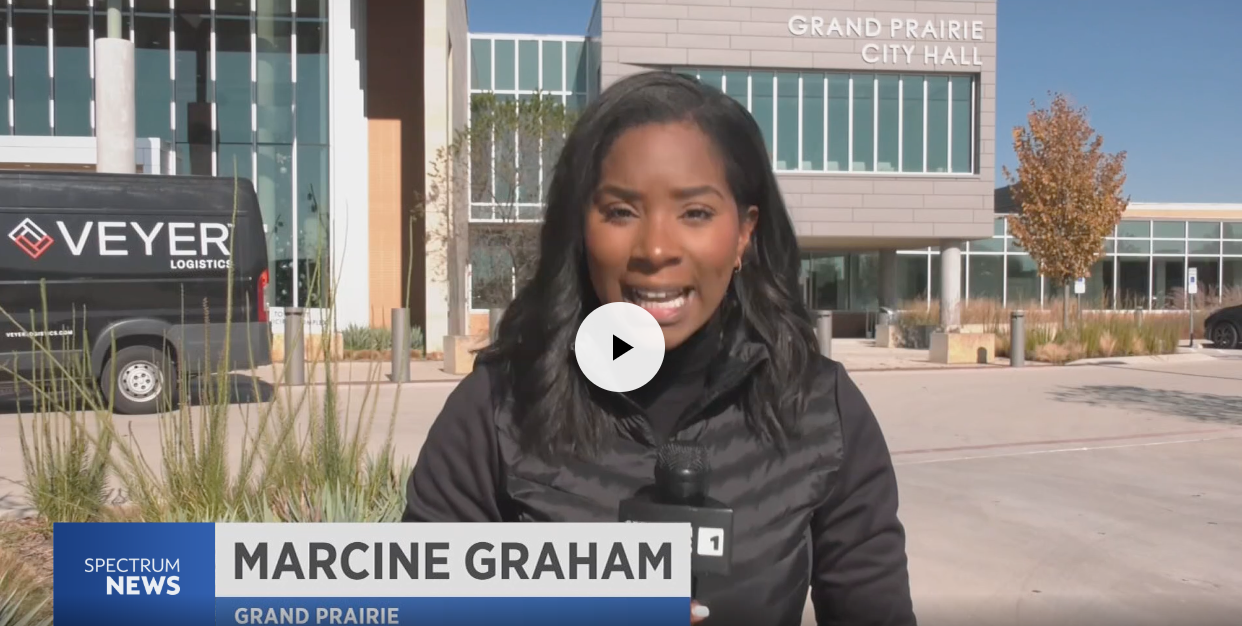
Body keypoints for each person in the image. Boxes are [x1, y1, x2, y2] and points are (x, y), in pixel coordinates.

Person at [402, 70, 917, 626]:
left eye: (695, 213)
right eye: (621, 211)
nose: (654, 248)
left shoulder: (820, 407)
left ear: (744, 232)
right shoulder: (498, 408)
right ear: (583, 227)